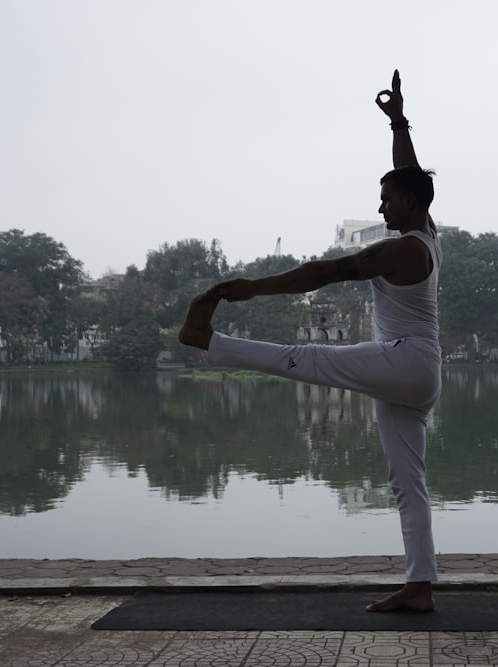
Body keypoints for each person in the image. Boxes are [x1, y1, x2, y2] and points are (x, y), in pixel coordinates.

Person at [178, 70, 441, 613]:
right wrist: (398, 123)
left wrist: (247, 289)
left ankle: (208, 340)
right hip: (412, 376)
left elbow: (321, 273)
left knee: (311, 359)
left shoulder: (401, 251)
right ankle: (420, 588)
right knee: (406, 483)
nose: (382, 208)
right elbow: (411, 174)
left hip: (406, 362)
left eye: (388, 201)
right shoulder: (426, 234)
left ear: (411, 205)